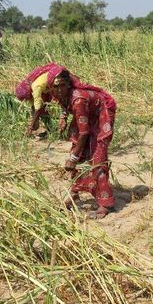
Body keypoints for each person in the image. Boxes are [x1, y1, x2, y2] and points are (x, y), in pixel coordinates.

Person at [50, 70, 117, 219]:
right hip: (88, 114)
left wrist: (72, 159)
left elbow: (84, 133)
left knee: (97, 159)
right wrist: (63, 117)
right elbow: (62, 103)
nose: (59, 90)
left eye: (62, 86)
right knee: (78, 151)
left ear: (68, 85)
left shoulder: (79, 100)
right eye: (56, 87)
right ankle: (75, 192)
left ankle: (105, 204)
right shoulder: (59, 93)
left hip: (101, 115)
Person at [14, 63, 68, 136]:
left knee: (62, 98)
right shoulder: (31, 91)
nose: (27, 100)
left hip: (54, 80)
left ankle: (59, 125)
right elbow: (35, 106)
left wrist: (31, 127)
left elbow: (38, 108)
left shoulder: (36, 88)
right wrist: (35, 120)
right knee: (42, 109)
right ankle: (50, 130)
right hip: (46, 88)